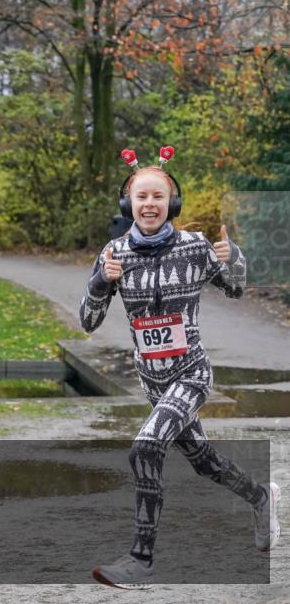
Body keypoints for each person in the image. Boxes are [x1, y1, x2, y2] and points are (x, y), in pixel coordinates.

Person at [81, 159, 281, 589]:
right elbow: (88, 321)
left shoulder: (193, 247)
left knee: (145, 448)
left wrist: (235, 258)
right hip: (153, 381)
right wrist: (99, 283)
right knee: (204, 462)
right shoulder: (114, 254)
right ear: (128, 203)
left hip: (191, 373)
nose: (150, 204)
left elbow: (235, 287)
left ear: (172, 202)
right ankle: (262, 497)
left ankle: (141, 559)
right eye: (141, 197)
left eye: (158, 196)